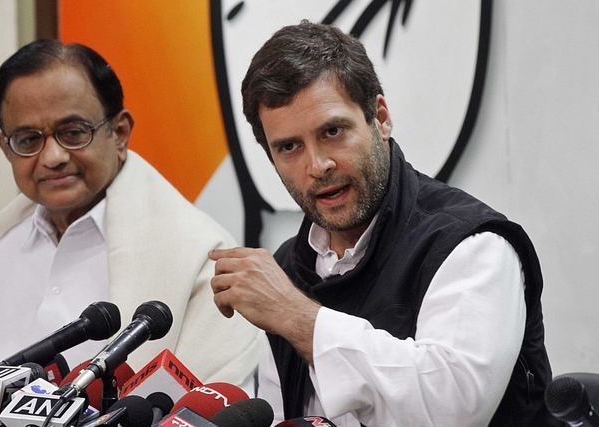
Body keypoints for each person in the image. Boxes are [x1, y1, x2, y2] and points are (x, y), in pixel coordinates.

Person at [209, 21, 560, 426]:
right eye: (289, 147)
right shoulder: (289, 265)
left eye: (333, 131)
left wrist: (298, 317)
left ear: (380, 118)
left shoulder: (471, 244)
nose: (317, 165)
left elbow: (453, 409)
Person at [0, 39, 263, 390]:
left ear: (120, 133)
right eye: (28, 140)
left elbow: (213, 403)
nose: (53, 156)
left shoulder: (200, 257)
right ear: (5, 147)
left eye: (73, 133)